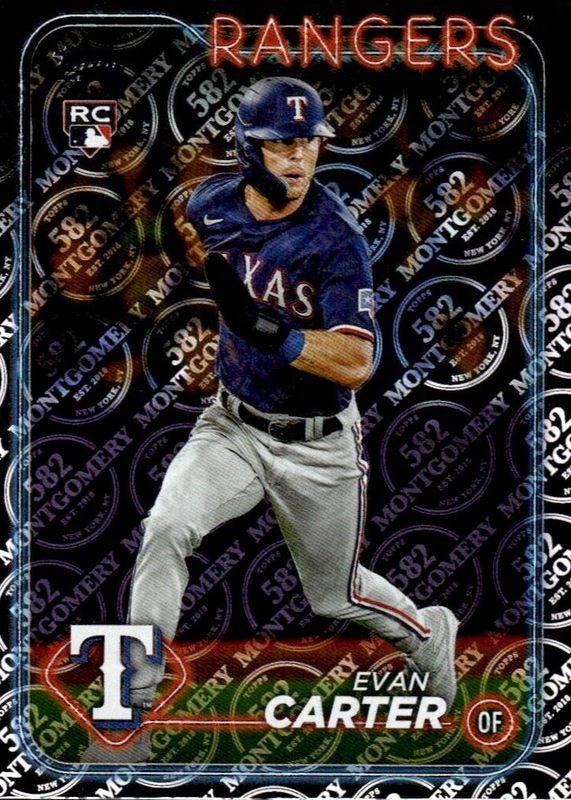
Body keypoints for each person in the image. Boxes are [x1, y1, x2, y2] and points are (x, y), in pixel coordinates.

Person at [82, 76, 458, 763]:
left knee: (334, 596)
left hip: (317, 446)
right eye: (282, 143)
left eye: (309, 141)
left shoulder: (335, 238)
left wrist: (266, 330)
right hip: (231, 427)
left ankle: (429, 635)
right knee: (166, 529)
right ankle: (130, 705)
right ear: (247, 150)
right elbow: (195, 233)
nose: (300, 156)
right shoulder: (212, 203)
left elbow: (356, 363)